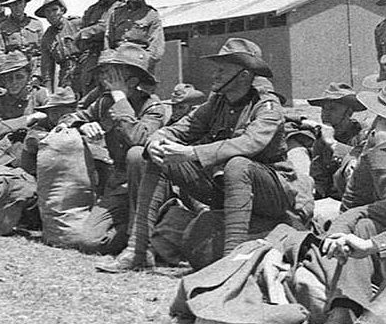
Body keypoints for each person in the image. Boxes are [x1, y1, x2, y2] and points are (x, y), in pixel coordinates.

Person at [101, 38, 308, 272]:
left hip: (271, 192)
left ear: (243, 76)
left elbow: (250, 143)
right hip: (224, 187)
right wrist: (157, 141)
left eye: (222, 70)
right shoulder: (217, 102)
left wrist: (192, 152)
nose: (214, 75)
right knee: (149, 155)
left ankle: (231, 264)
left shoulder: (266, 105)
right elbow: (182, 128)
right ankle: (138, 251)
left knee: (238, 164)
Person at [289, 85, 386, 324]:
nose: (377, 127)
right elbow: (362, 205)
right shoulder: (376, 150)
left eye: (383, 119)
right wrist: (338, 235)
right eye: (379, 118)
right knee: (363, 225)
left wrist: (372, 245)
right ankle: (342, 317)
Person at [54, 43, 168, 255]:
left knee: (136, 155)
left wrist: (121, 99)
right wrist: (82, 125)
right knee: (89, 242)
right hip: (119, 184)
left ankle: (146, 230)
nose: (105, 78)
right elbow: (66, 118)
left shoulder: (152, 106)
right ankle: (143, 230)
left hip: (147, 186)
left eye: (114, 74)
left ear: (132, 81)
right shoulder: (104, 102)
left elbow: (138, 139)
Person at [302, 83, 369, 200]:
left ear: (349, 112)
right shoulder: (323, 136)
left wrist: (333, 143)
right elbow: (319, 176)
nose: (326, 113)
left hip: (357, 198)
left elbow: (362, 166)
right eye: (324, 108)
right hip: (332, 199)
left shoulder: (363, 134)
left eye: (333, 109)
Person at [104, 0, 164, 72]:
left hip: (139, 65)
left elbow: (156, 49)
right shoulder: (116, 13)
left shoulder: (151, 15)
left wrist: (141, 64)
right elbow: (108, 39)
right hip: (116, 63)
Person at [76, 0, 122, 96]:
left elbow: (107, 28)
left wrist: (86, 33)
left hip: (113, 61)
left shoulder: (120, 8)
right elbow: (81, 43)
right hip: (92, 63)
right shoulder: (91, 11)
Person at [0, 0, 45, 83]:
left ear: (25, 4)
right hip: (13, 73)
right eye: (13, 4)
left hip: (34, 72)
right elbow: (0, 54)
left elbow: (43, 52)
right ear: (9, 6)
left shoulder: (36, 24)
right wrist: (7, 76)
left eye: (20, 3)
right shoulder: (1, 27)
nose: (17, 7)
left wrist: (37, 75)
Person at [35, 0, 81, 95]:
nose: (51, 14)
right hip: (65, 79)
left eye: (54, 10)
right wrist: (49, 92)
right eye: (48, 11)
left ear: (62, 10)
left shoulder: (77, 24)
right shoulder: (47, 37)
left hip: (84, 72)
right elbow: (47, 70)